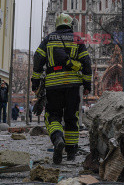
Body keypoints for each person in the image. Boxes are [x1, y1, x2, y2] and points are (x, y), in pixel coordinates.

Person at [32, 13, 92, 164]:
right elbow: (86, 62)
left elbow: (38, 58)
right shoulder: (77, 39)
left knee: (53, 116)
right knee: (72, 118)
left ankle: (58, 138)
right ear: (71, 25)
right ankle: (71, 153)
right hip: (73, 85)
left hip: (53, 84)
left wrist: (35, 81)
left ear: (56, 25)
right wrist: (87, 84)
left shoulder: (49, 39)